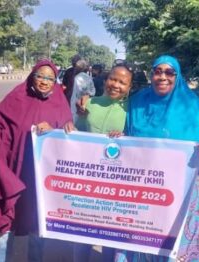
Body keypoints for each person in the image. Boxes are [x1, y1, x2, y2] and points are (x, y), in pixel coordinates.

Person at [114, 54, 199, 261]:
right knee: (140, 242)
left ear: (177, 76)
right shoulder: (137, 102)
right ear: (151, 75)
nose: (163, 77)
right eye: (157, 71)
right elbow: (125, 135)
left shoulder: (192, 106)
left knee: (174, 248)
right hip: (143, 189)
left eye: (169, 72)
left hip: (182, 192)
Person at [0, 59, 72, 262]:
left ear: (55, 81)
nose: (44, 81)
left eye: (50, 78)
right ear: (32, 76)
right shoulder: (17, 95)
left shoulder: (60, 101)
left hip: (38, 179)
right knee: (5, 228)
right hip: (13, 172)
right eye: (40, 76)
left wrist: (55, 130)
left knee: (36, 227)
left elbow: (67, 133)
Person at [65, 63, 134, 262]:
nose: (116, 85)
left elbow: (137, 142)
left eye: (122, 82)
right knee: (83, 231)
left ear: (129, 88)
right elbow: (79, 134)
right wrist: (70, 125)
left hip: (117, 181)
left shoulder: (132, 110)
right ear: (105, 80)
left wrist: (124, 136)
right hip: (88, 179)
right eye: (113, 79)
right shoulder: (89, 103)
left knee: (110, 235)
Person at [70, 59, 95, 127]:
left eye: (76, 67)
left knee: (76, 125)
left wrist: (81, 101)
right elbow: (93, 91)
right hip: (87, 104)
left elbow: (77, 93)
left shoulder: (78, 78)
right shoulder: (89, 77)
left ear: (78, 68)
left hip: (77, 106)